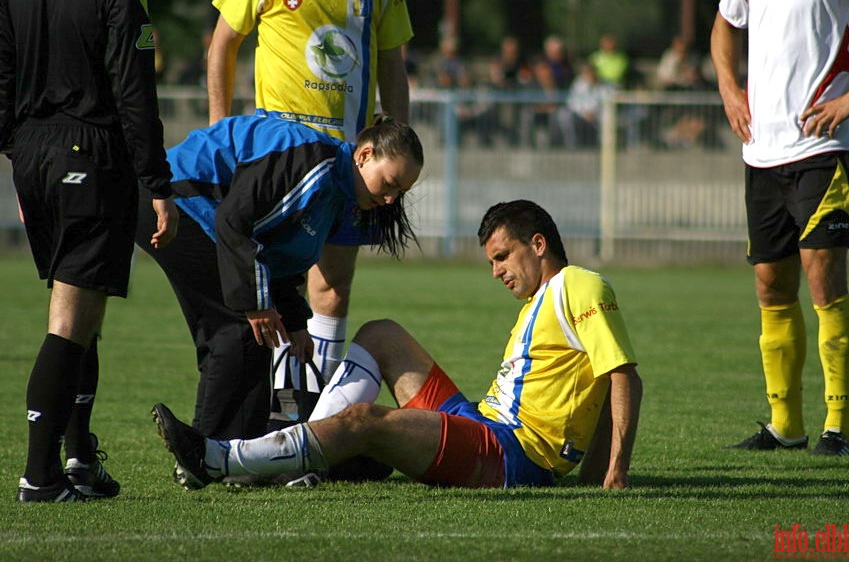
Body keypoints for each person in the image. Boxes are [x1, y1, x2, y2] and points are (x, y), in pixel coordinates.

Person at [151, 200, 643, 490]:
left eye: (502, 257)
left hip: (512, 454)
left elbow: (621, 375)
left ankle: (222, 460)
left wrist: (612, 471)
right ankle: (312, 456)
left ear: (538, 244)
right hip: (487, 424)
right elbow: (600, 382)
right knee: (380, 333)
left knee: (365, 421)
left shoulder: (579, 285)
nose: (496, 272)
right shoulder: (545, 299)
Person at [136, 115, 422, 488]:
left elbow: (276, 255)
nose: (390, 198)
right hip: (176, 202)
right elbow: (234, 221)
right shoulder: (312, 163)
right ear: (364, 155)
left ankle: (233, 456)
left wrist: (295, 321)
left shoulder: (336, 194)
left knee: (250, 333)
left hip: (202, 215)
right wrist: (255, 305)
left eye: (400, 192)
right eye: (389, 184)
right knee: (240, 327)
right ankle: (208, 457)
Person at [0, 0, 178, 502]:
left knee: (83, 307)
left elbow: (3, 79)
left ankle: (78, 456)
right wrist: (157, 184)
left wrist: (24, 155)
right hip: (91, 153)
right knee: (71, 318)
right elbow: (135, 93)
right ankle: (40, 475)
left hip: (31, 153)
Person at [711, 0, 849, 455]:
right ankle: (785, 427)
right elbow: (725, 24)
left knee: (823, 276)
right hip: (761, 151)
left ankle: (839, 429)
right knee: (771, 286)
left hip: (825, 146)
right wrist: (730, 90)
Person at [206, 0, 413, 408]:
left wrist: (400, 142)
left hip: (351, 166)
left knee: (333, 287)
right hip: (279, 163)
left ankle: (312, 419)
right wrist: (219, 129)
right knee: (274, 282)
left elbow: (393, 62)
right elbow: (224, 40)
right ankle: (273, 411)